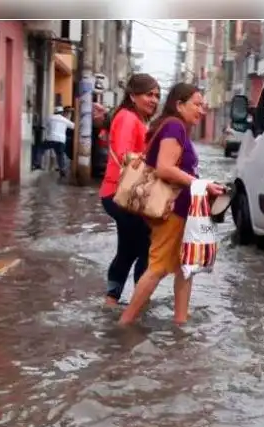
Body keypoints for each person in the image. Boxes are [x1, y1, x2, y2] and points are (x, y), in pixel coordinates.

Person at [119, 83, 225, 326]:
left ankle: (180, 323)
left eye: (203, 105)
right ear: (179, 104)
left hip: (180, 210)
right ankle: (124, 324)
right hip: (172, 210)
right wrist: (202, 184)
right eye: (196, 104)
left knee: (184, 269)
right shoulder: (175, 127)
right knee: (157, 267)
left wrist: (203, 186)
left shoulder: (177, 128)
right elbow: (165, 168)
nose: (202, 110)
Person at [99, 73, 161, 306]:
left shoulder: (136, 118)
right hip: (120, 195)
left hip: (123, 196)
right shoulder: (128, 118)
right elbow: (127, 156)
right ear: (133, 96)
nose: (153, 100)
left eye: (156, 95)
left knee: (128, 248)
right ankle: (138, 302)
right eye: (148, 94)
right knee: (145, 245)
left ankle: (112, 300)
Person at [45, 106, 75, 177]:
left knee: (60, 154)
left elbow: (45, 124)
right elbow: (73, 126)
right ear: (63, 112)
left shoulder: (54, 118)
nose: (69, 113)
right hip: (62, 140)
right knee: (59, 154)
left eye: (70, 112)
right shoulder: (64, 119)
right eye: (67, 111)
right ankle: (60, 168)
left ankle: (62, 168)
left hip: (62, 139)